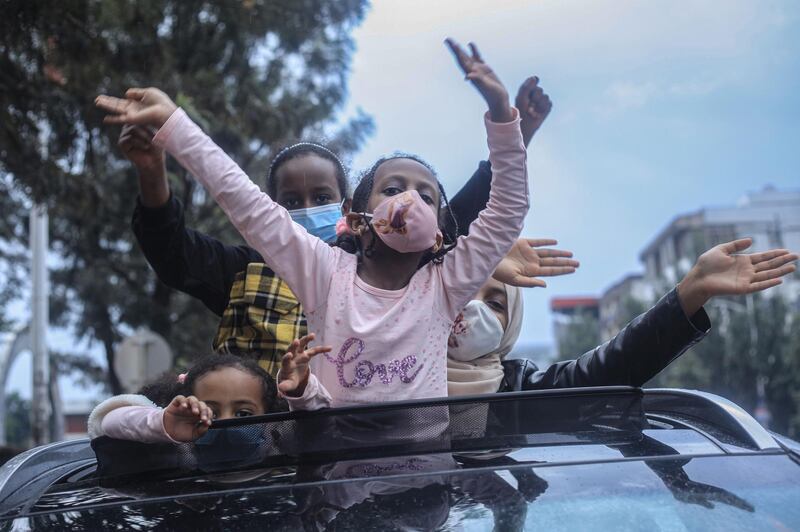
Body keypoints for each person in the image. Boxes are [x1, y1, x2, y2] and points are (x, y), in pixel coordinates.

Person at [96, 38, 529, 407]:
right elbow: (241, 198)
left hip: (422, 489)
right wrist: (175, 126)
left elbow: (507, 208)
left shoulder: (445, 286)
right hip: (334, 485)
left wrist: (501, 114)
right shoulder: (324, 274)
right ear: (357, 219)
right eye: (392, 189)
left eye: (426, 195)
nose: (409, 199)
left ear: (438, 233)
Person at [447, 238, 798, 394]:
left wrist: (692, 291)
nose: (473, 308)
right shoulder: (394, 376)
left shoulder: (521, 393)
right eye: (461, 293)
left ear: (511, 326)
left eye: (496, 304)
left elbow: (611, 366)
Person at [87, 336, 330, 443]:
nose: (224, 424)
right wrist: (163, 425)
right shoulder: (176, 444)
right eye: (210, 413)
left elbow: (319, 424)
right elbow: (108, 421)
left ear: (268, 416)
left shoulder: (279, 443)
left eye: (243, 415)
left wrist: (300, 393)